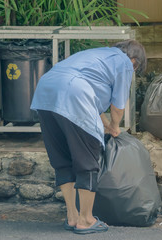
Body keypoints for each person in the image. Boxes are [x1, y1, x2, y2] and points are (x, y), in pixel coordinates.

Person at [30, 39, 147, 234]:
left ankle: (72, 216)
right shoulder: (124, 63)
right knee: (87, 160)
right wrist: (115, 127)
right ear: (135, 60)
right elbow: (118, 104)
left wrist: (105, 125)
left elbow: (93, 99)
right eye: (136, 69)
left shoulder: (99, 55)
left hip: (45, 92)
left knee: (63, 160)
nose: (133, 72)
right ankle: (86, 219)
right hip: (73, 93)